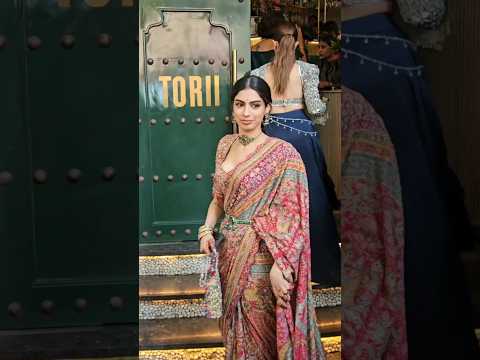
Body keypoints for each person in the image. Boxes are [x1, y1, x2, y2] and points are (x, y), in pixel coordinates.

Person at [341, 0, 480, 358]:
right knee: (410, 212)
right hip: (380, 57)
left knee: (364, 219)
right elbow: (424, 11)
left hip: (354, 55)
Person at [199, 75, 325, 359]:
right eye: (240, 104)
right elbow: (219, 200)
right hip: (228, 252)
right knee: (234, 328)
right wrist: (206, 229)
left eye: (255, 105)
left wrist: (281, 265)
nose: (246, 113)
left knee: (260, 331)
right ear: (232, 107)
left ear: (267, 109)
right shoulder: (225, 145)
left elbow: (292, 215)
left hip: (261, 256)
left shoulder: (283, 154)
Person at [251, 20, 341, 286]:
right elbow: (314, 109)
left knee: (274, 204)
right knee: (313, 201)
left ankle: (278, 268)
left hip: (273, 138)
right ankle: (320, 271)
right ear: (295, 42)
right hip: (303, 137)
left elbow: (257, 110)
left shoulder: (258, 73)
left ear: (274, 43)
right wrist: (321, 118)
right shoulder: (308, 70)